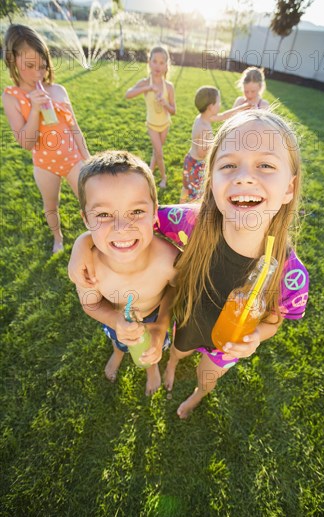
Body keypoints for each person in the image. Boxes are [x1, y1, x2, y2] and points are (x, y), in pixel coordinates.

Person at [69, 111, 309, 417]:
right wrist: (83, 243)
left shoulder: (291, 277)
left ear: (289, 187)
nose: (245, 177)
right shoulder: (187, 222)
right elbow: (127, 221)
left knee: (207, 376)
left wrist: (257, 338)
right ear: (212, 178)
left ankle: (197, 395)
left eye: (265, 165)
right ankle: (169, 365)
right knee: (177, 351)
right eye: (229, 165)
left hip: (228, 344)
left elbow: (276, 318)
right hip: (187, 319)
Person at [73, 150, 179, 395]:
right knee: (118, 340)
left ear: (154, 212)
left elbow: (177, 287)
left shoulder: (168, 259)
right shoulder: (88, 267)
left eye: (136, 212)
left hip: (154, 316)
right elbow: (90, 304)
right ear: (86, 220)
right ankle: (118, 352)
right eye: (103, 215)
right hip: (115, 315)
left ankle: (152, 367)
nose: (122, 228)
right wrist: (115, 321)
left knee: (152, 350)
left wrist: (162, 324)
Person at [2, 24, 90, 254]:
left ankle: (95, 239)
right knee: (51, 205)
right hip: (45, 164)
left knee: (90, 200)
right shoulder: (12, 97)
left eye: (42, 66)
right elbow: (25, 142)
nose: (37, 74)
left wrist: (87, 159)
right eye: (29, 66)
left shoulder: (58, 90)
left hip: (72, 159)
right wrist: (34, 109)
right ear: (12, 62)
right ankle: (58, 238)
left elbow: (75, 128)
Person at [181, 86, 252, 203]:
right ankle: (187, 214)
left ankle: (180, 205)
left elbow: (222, 116)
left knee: (186, 187)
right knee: (195, 195)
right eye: (218, 102)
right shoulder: (204, 128)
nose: (220, 104)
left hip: (190, 160)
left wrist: (242, 108)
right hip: (196, 166)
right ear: (210, 107)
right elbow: (201, 152)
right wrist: (216, 145)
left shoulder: (202, 118)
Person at [125, 46, 176, 189]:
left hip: (165, 125)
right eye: (155, 61)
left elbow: (174, 111)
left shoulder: (169, 87)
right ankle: (164, 178)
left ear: (166, 66)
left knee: (156, 150)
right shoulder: (145, 83)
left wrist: (165, 103)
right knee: (159, 152)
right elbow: (128, 94)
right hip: (152, 125)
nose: (158, 66)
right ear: (149, 62)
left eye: (161, 63)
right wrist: (147, 88)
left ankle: (150, 172)